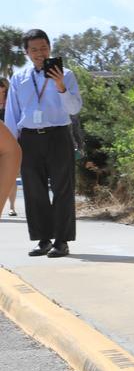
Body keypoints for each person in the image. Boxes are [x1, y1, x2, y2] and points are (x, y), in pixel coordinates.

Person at [4, 30, 82, 257]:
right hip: (29, 138)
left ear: (50, 47)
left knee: (62, 189)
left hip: (58, 135)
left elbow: (74, 109)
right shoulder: (19, 78)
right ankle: (43, 239)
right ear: (27, 52)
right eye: (35, 49)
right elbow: (12, 113)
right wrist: (11, 145)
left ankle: (62, 241)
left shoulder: (66, 75)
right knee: (33, 190)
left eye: (44, 48)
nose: (40, 53)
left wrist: (60, 85)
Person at [0, 77, 18, 215]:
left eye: (5, 93)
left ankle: (11, 206)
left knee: (10, 178)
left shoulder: (12, 108)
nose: (2, 97)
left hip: (7, 148)